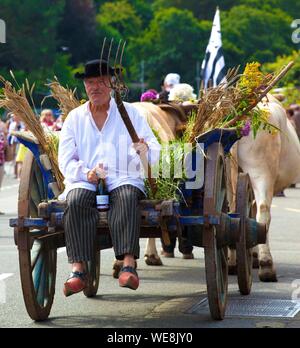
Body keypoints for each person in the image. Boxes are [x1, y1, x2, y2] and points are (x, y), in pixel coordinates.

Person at [58, 59, 161, 295]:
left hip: (123, 176)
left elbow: (153, 150)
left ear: (112, 84)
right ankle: (78, 269)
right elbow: (66, 160)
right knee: (75, 201)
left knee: (126, 197)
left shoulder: (130, 113)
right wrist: (87, 173)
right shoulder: (75, 118)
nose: (95, 87)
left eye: (101, 82)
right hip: (86, 178)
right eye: (90, 82)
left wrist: (145, 151)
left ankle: (128, 264)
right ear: (85, 86)